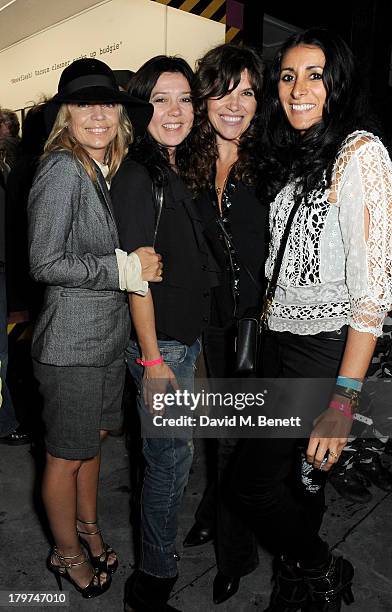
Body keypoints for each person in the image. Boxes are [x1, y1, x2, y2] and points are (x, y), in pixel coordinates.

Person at [229, 28, 392, 611]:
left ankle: (321, 563)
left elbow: (373, 291)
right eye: (289, 75)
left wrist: (344, 399)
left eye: (315, 74)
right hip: (280, 343)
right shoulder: (300, 154)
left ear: (339, 84)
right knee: (298, 480)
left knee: (250, 487)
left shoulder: (361, 154)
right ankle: (301, 583)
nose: (298, 88)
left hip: (323, 350)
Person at [28, 58, 161, 599]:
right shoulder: (63, 168)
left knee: (91, 445)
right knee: (65, 455)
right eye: (84, 104)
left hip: (104, 342)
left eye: (106, 102)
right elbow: (44, 261)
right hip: (70, 346)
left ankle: (87, 529)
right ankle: (63, 553)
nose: (98, 114)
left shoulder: (101, 167)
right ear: (67, 115)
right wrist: (122, 268)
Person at [110, 55, 217, 612]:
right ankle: (150, 587)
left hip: (181, 343)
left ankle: (153, 573)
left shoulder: (174, 166)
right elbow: (136, 281)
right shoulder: (139, 174)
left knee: (172, 463)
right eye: (160, 100)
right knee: (168, 469)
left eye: (183, 100)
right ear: (142, 107)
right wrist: (153, 363)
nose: (174, 111)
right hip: (162, 348)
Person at [181, 43, 267, 604]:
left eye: (248, 92)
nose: (234, 104)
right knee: (222, 433)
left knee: (241, 442)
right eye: (223, 90)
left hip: (263, 324)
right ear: (204, 96)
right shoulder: (187, 163)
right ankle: (214, 510)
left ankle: (235, 556)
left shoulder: (275, 161)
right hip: (212, 322)